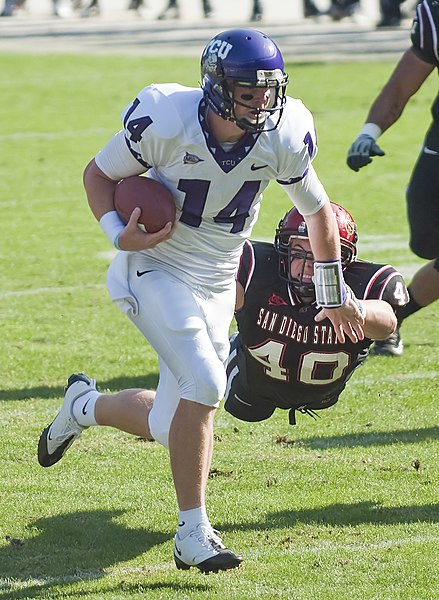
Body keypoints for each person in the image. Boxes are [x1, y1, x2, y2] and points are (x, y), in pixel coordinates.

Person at [37, 28, 365, 573]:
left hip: (215, 279)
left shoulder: (281, 135)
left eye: (269, 90)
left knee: (175, 425)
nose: (262, 102)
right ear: (216, 88)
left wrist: (331, 295)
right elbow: (98, 174)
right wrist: (119, 233)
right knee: (208, 386)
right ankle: (193, 533)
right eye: (247, 91)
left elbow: (319, 213)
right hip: (155, 266)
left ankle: (82, 407)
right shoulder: (168, 119)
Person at [224, 202, 408, 426]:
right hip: (254, 381)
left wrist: (357, 309)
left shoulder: (363, 283)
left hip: (323, 393)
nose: (310, 265)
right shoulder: (257, 267)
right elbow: (213, 293)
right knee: (246, 412)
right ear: (283, 250)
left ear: (344, 258)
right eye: (299, 252)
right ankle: (231, 348)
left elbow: (387, 324)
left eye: (321, 254)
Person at [346, 0, 439, 357]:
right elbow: (402, 85)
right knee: (426, 242)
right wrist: (370, 132)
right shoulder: (434, 15)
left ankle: (394, 318)